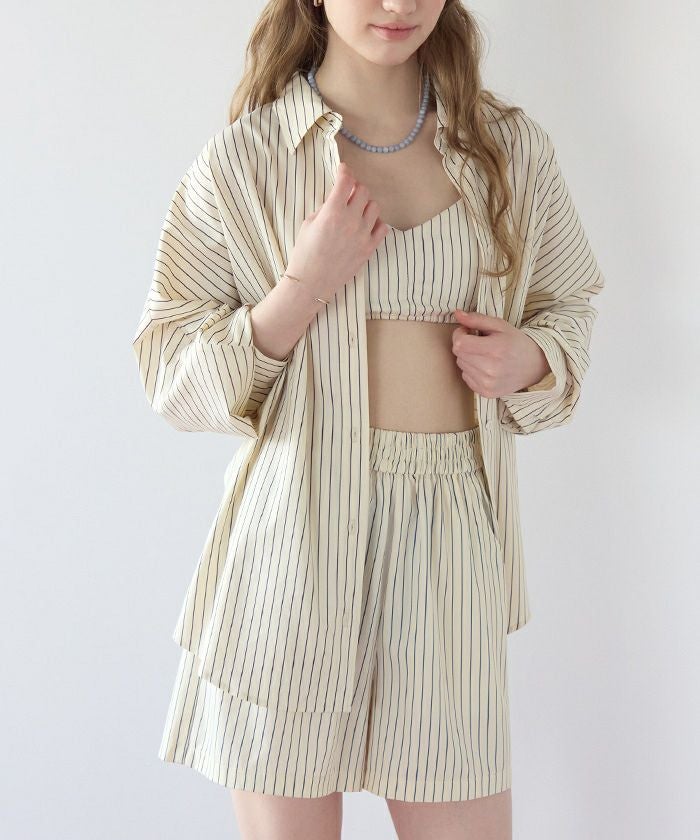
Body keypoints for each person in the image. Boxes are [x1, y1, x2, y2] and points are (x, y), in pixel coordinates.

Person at [131, 1, 606, 837]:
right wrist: (301, 287)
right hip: (293, 551)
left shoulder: (507, 150)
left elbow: (568, 303)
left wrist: (532, 358)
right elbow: (171, 372)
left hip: (448, 547)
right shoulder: (249, 159)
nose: (398, 4)